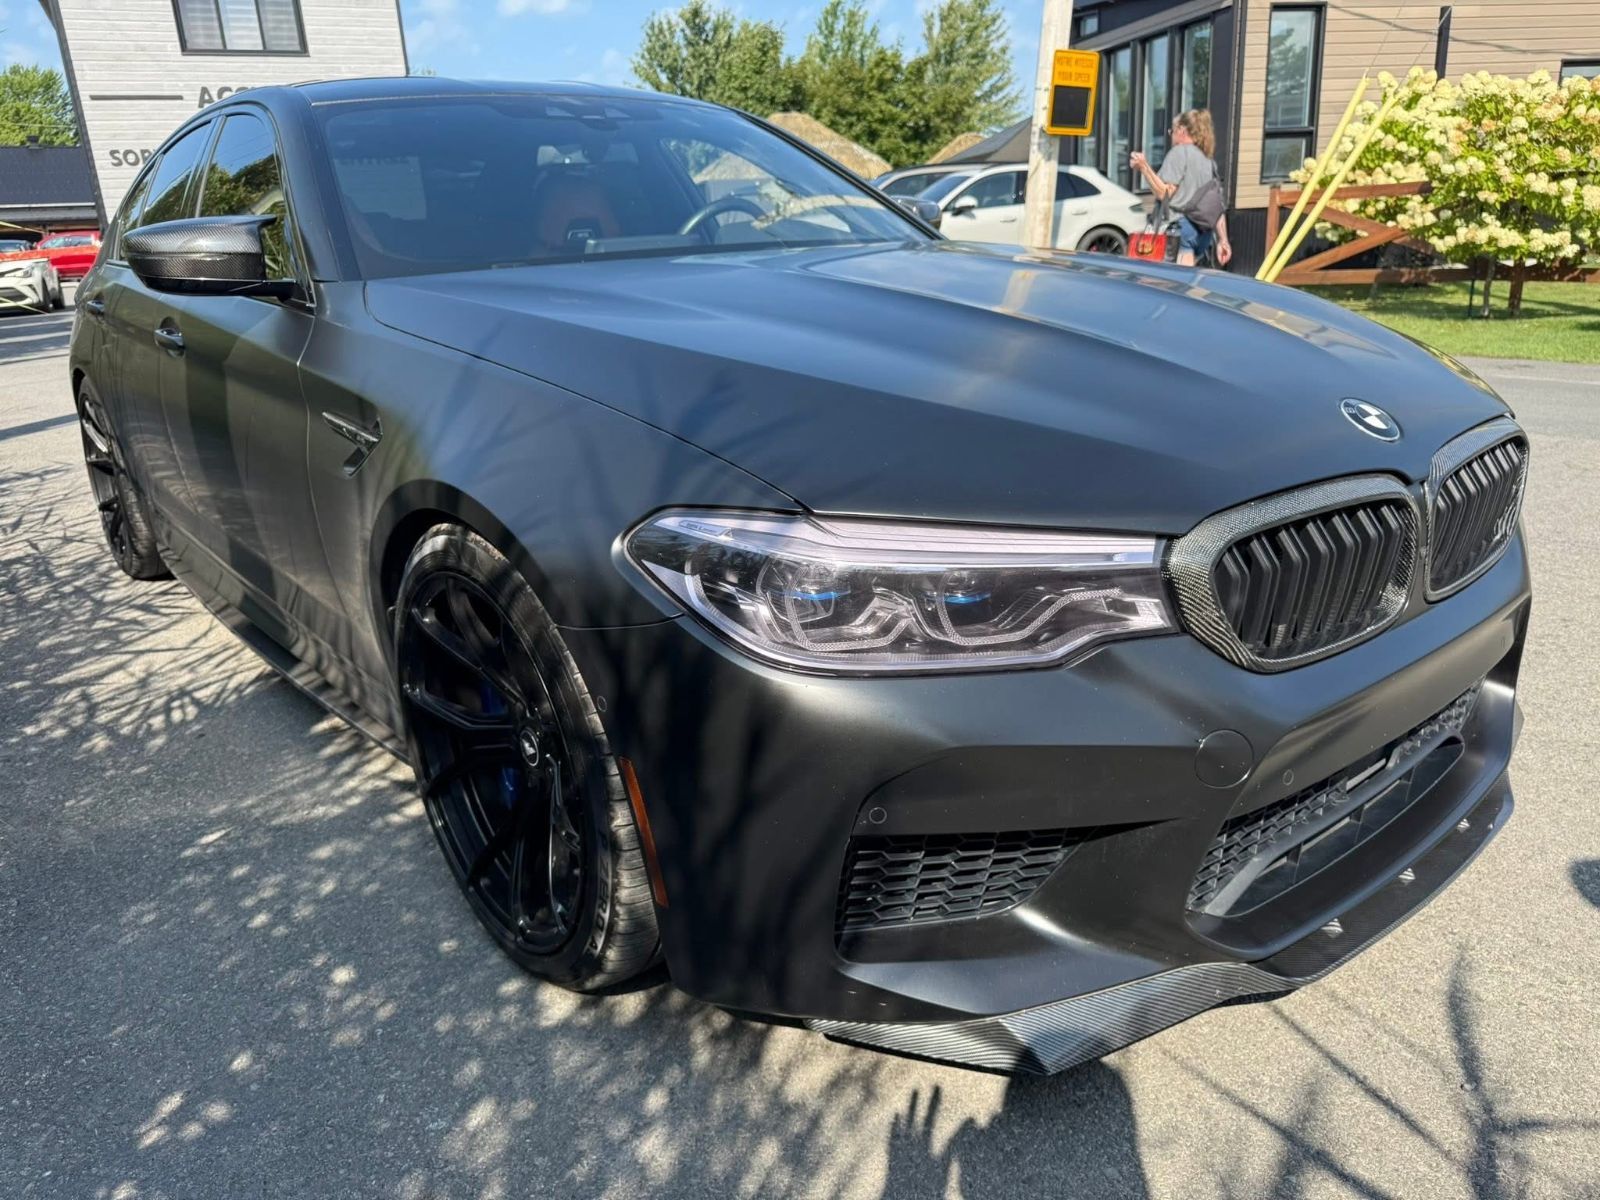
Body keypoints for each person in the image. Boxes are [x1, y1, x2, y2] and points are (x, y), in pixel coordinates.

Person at [1129, 109, 1232, 268]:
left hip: (1179, 232)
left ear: (1182, 131)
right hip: (1203, 235)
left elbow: (1165, 193)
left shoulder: (1179, 153)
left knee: (1179, 285)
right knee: (1190, 283)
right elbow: (1216, 206)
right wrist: (1223, 240)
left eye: (1172, 131)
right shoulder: (1208, 161)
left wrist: (1144, 167)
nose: (1171, 135)